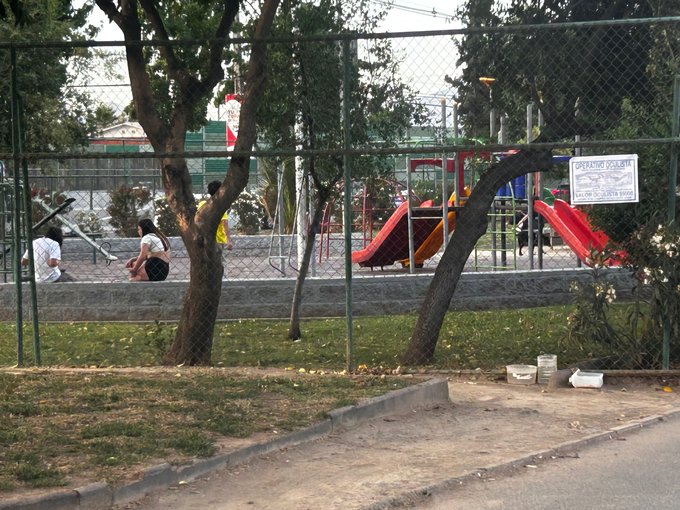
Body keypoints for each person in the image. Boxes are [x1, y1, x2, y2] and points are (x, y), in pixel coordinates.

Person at [198, 180, 233, 252]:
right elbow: (225, 223)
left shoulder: (202, 204)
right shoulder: (220, 206)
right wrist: (228, 241)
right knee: (217, 258)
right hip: (218, 240)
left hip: (204, 238)